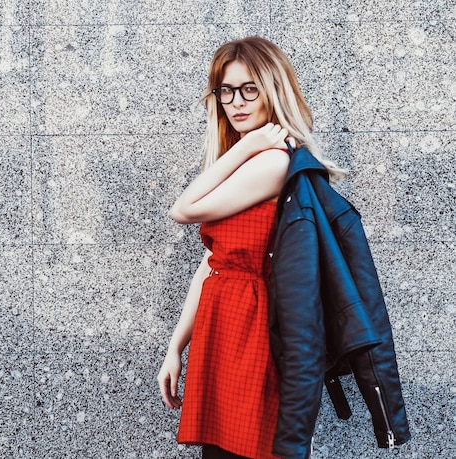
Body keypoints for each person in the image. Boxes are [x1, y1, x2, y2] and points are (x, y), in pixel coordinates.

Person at [157, 36, 342, 459]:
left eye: (249, 89)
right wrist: (176, 345)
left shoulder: (273, 161)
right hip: (222, 329)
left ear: (272, 89)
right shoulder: (251, 157)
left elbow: (183, 210)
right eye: (226, 91)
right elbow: (212, 264)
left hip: (255, 336)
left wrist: (245, 146)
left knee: (252, 450)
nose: (236, 102)